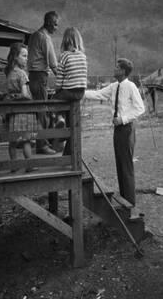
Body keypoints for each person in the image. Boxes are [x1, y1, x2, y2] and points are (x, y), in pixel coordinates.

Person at [84, 58, 145, 218]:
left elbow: (140, 108)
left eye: (117, 67)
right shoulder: (114, 86)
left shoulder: (131, 86)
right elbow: (97, 94)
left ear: (123, 71)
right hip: (117, 130)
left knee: (126, 165)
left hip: (127, 128)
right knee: (119, 163)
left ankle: (130, 203)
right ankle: (124, 199)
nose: (114, 69)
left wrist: (123, 119)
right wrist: (80, 92)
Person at [27, 11, 59, 155]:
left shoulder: (34, 35)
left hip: (33, 76)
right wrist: (64, 79)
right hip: (39, 76)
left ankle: (42, 141)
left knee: (39, 111)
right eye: (55, 24)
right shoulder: (45, 38)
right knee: (42, 112)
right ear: (49, 22)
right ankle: (42, 145)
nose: (57, 27)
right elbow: (53, 64)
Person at [54, 27, 88, 155]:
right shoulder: (83, 56)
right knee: (72, 122)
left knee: (52, 102)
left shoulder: (64, 56)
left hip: (67, 91)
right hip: (80, 93)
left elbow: (59, 78)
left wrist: (57, 90)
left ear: (65, 41)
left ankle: (59, 118)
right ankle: (68, 153)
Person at [5, 43, 38, 172]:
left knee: (13, 140)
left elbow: (9, 93)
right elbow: (25, 94)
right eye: (24, 56)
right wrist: (29, 98)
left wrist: (12, 97)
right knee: (26, 140)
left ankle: (14, 167)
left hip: (14, 112)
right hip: (24, 111)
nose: (26, 58)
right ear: (15, 57)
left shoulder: (9, 73)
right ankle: (29, 166)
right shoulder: (22, 74)